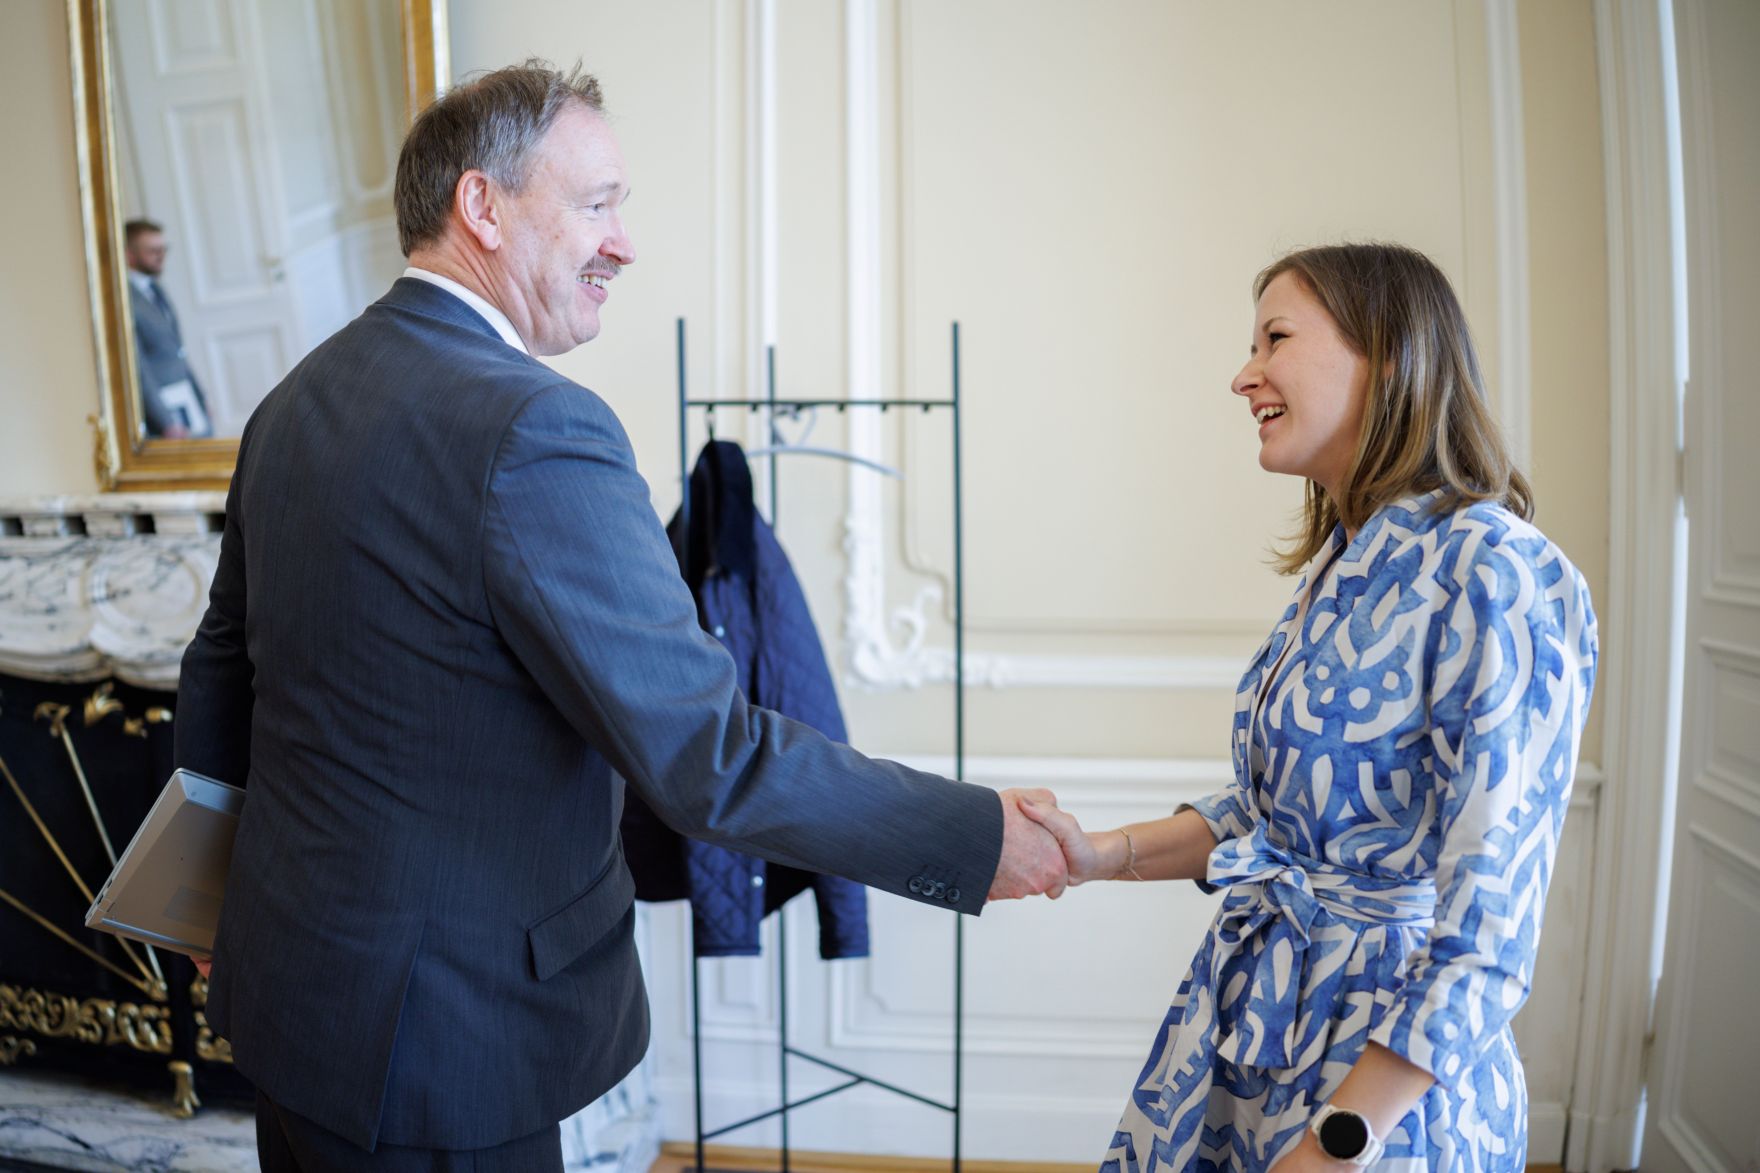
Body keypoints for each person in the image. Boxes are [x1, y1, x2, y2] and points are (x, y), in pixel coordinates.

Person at [173, 61, 1066, 1172]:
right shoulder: (536, 428)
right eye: (596, 204)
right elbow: (710, 754)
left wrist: (201, 913)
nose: (622, 242)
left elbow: (218, 682)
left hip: (290, 994)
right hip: (448, 1046)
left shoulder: (290, 406)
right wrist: (972, 839)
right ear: (482, 208)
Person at [1022, 243, 1597, 1172]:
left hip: (1382, 1082)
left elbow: (1489, 932)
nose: (1243, 375)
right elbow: (1268, 821)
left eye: (1275, 338)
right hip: (1256, 1028)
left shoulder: (1494, 569)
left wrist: (1338, 1144)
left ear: (1390, 355)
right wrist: (1097, 856)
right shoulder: (1341, 559)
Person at [124, 218, 213, 439]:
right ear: (129, 255)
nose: (161, 255)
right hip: (162, 409)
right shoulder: (126, 299)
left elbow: (177, 349)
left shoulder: (155, 289)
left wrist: (201, 398)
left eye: (163, 249)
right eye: (152, 250)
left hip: (185, 396)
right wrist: (165, 421)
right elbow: (138, 366)